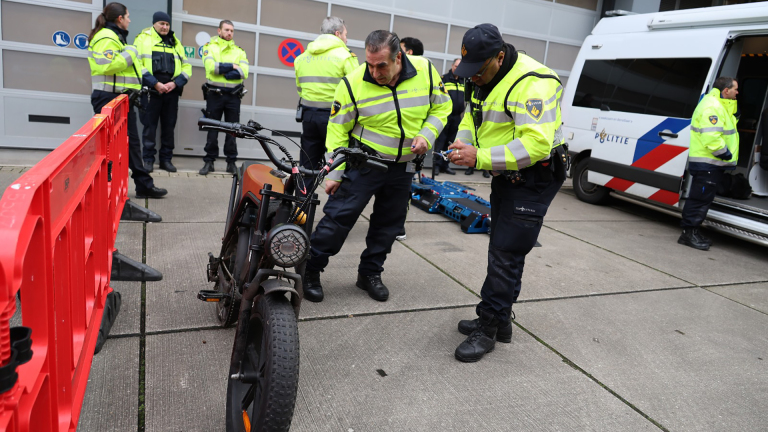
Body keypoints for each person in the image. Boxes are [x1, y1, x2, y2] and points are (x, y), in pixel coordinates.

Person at [302, 30, 451, 303]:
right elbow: (337, 130)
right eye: (370, 64)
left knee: (388, 225)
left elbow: (441, 108)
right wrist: (334, 173)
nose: (374, 71)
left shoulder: (426, 70)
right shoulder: (352, 82)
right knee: (337, 220)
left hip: (403, 167)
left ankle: (369, 273)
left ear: (399, 57)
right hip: (364, 163)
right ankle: (310, 270)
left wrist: (427, 135)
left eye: (381, 65)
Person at [448, 23, 566, 362]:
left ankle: (489, 328)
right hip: (507, 174)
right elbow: (472, 117)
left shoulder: (532, 85)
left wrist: (479, 156)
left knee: (505, 253)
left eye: (479, 71)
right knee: (503, 249)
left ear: (500, 57)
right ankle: (499, 319)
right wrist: (464, 143)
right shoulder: (480, 77)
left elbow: (537, 145)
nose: (474, 79)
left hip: (533, 176)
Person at [88, 2, 167, 199]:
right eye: (128, 16)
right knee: (111, 147)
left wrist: (155, 84)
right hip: (108, 99)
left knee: (131, 144)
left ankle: (143, 185)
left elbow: (135, 69)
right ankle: (109, 190)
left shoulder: (118, 39)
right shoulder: (106, 37)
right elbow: (106, 66)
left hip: (120, 100)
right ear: (119, 18)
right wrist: (130, 53)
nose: (130, 20)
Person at [294, 17, 359, 191]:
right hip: (335, 119)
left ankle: (301, 210)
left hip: (309, 116)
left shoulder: (301, 58)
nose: (346, 38)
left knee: (307, 166)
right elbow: (357, 91)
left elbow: (300, 89)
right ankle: (336, 211)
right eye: (345, 34)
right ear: (337, 33)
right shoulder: (346, 56)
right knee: (338, 165)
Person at [678, 76, 739, 250]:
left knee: (702, 199)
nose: (737, 92)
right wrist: (725, 154)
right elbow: (711, 136)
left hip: (710, 165)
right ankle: (688, 234)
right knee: (699, 200)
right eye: (735, 88)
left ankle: (692, 232)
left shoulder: (717, 104)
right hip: (708, 164)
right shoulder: (712, 106)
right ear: (726, 90)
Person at [135, 11, 191, 173]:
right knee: (149, 127)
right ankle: (148, 160)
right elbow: (137, 64)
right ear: (154, 24)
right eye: (161, 24)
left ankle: (166, 160)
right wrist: (155, 83)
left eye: (167, 24)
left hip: (171, 92)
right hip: (150, 91)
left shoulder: (175, 42)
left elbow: (187, 66)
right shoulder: (143, 39)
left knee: (168, 127)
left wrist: (176, 83)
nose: (165, 27)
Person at [199, 20, 249, 175]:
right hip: (214, 96)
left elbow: (244, 73)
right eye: (226, 30)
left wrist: (223, 70)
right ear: (219, 31)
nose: (229, 33)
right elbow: (211, 68)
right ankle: (209, 162)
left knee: (233, 130)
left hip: (234, 97)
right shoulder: (209, 47)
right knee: (212, 129)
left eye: (232, 31)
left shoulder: (239, 51)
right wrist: (233, 67)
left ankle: (231, 163)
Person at [433, 58, 466, 176]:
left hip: (457, 117)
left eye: (460, 66)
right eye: (456, 66)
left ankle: (445, 166)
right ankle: (436, 166)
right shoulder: (444, 79)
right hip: (445, 116)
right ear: (452, 66)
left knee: (451, 143)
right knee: (441, 141)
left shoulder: (463, 81)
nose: (458, 68)